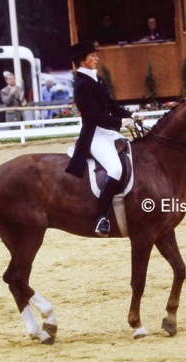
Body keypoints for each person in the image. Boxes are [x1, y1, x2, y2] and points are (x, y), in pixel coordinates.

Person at [65, 40, 135, 237]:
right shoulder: (81, 85)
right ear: (82, 60)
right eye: (92, 56)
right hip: (95, 135)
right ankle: (101, 217)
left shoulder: (97, 80)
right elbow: (94, 116)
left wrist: (129, 115)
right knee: (115, 168)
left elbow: (111, 105)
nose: (96, 58)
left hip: (109, 132)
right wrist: (121, 123)